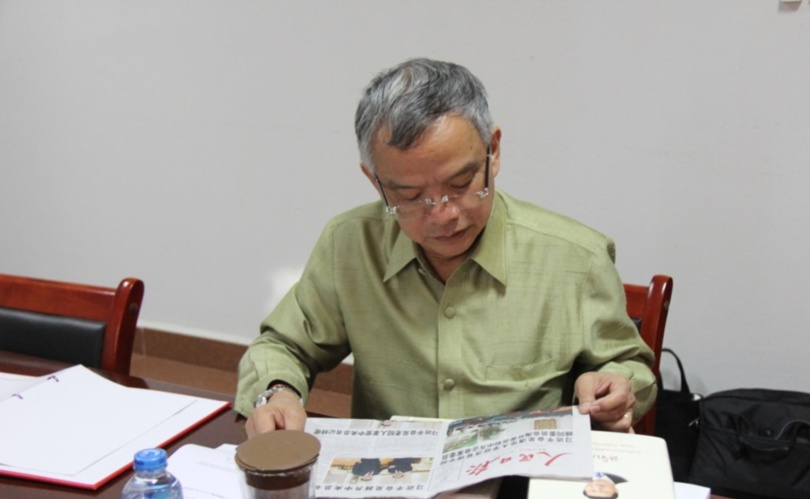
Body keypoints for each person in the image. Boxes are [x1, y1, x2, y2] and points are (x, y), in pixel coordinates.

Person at [236, 58, 656, 438]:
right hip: (391, 491)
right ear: (374, 181)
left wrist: (613, 385)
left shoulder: (576, 258)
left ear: (493, 152)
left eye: (461, 185)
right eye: (410, 195)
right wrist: (276, 392)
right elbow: (283, 346)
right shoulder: (349, 244)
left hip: (521, 489)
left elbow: (627, 366)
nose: (443, 215)